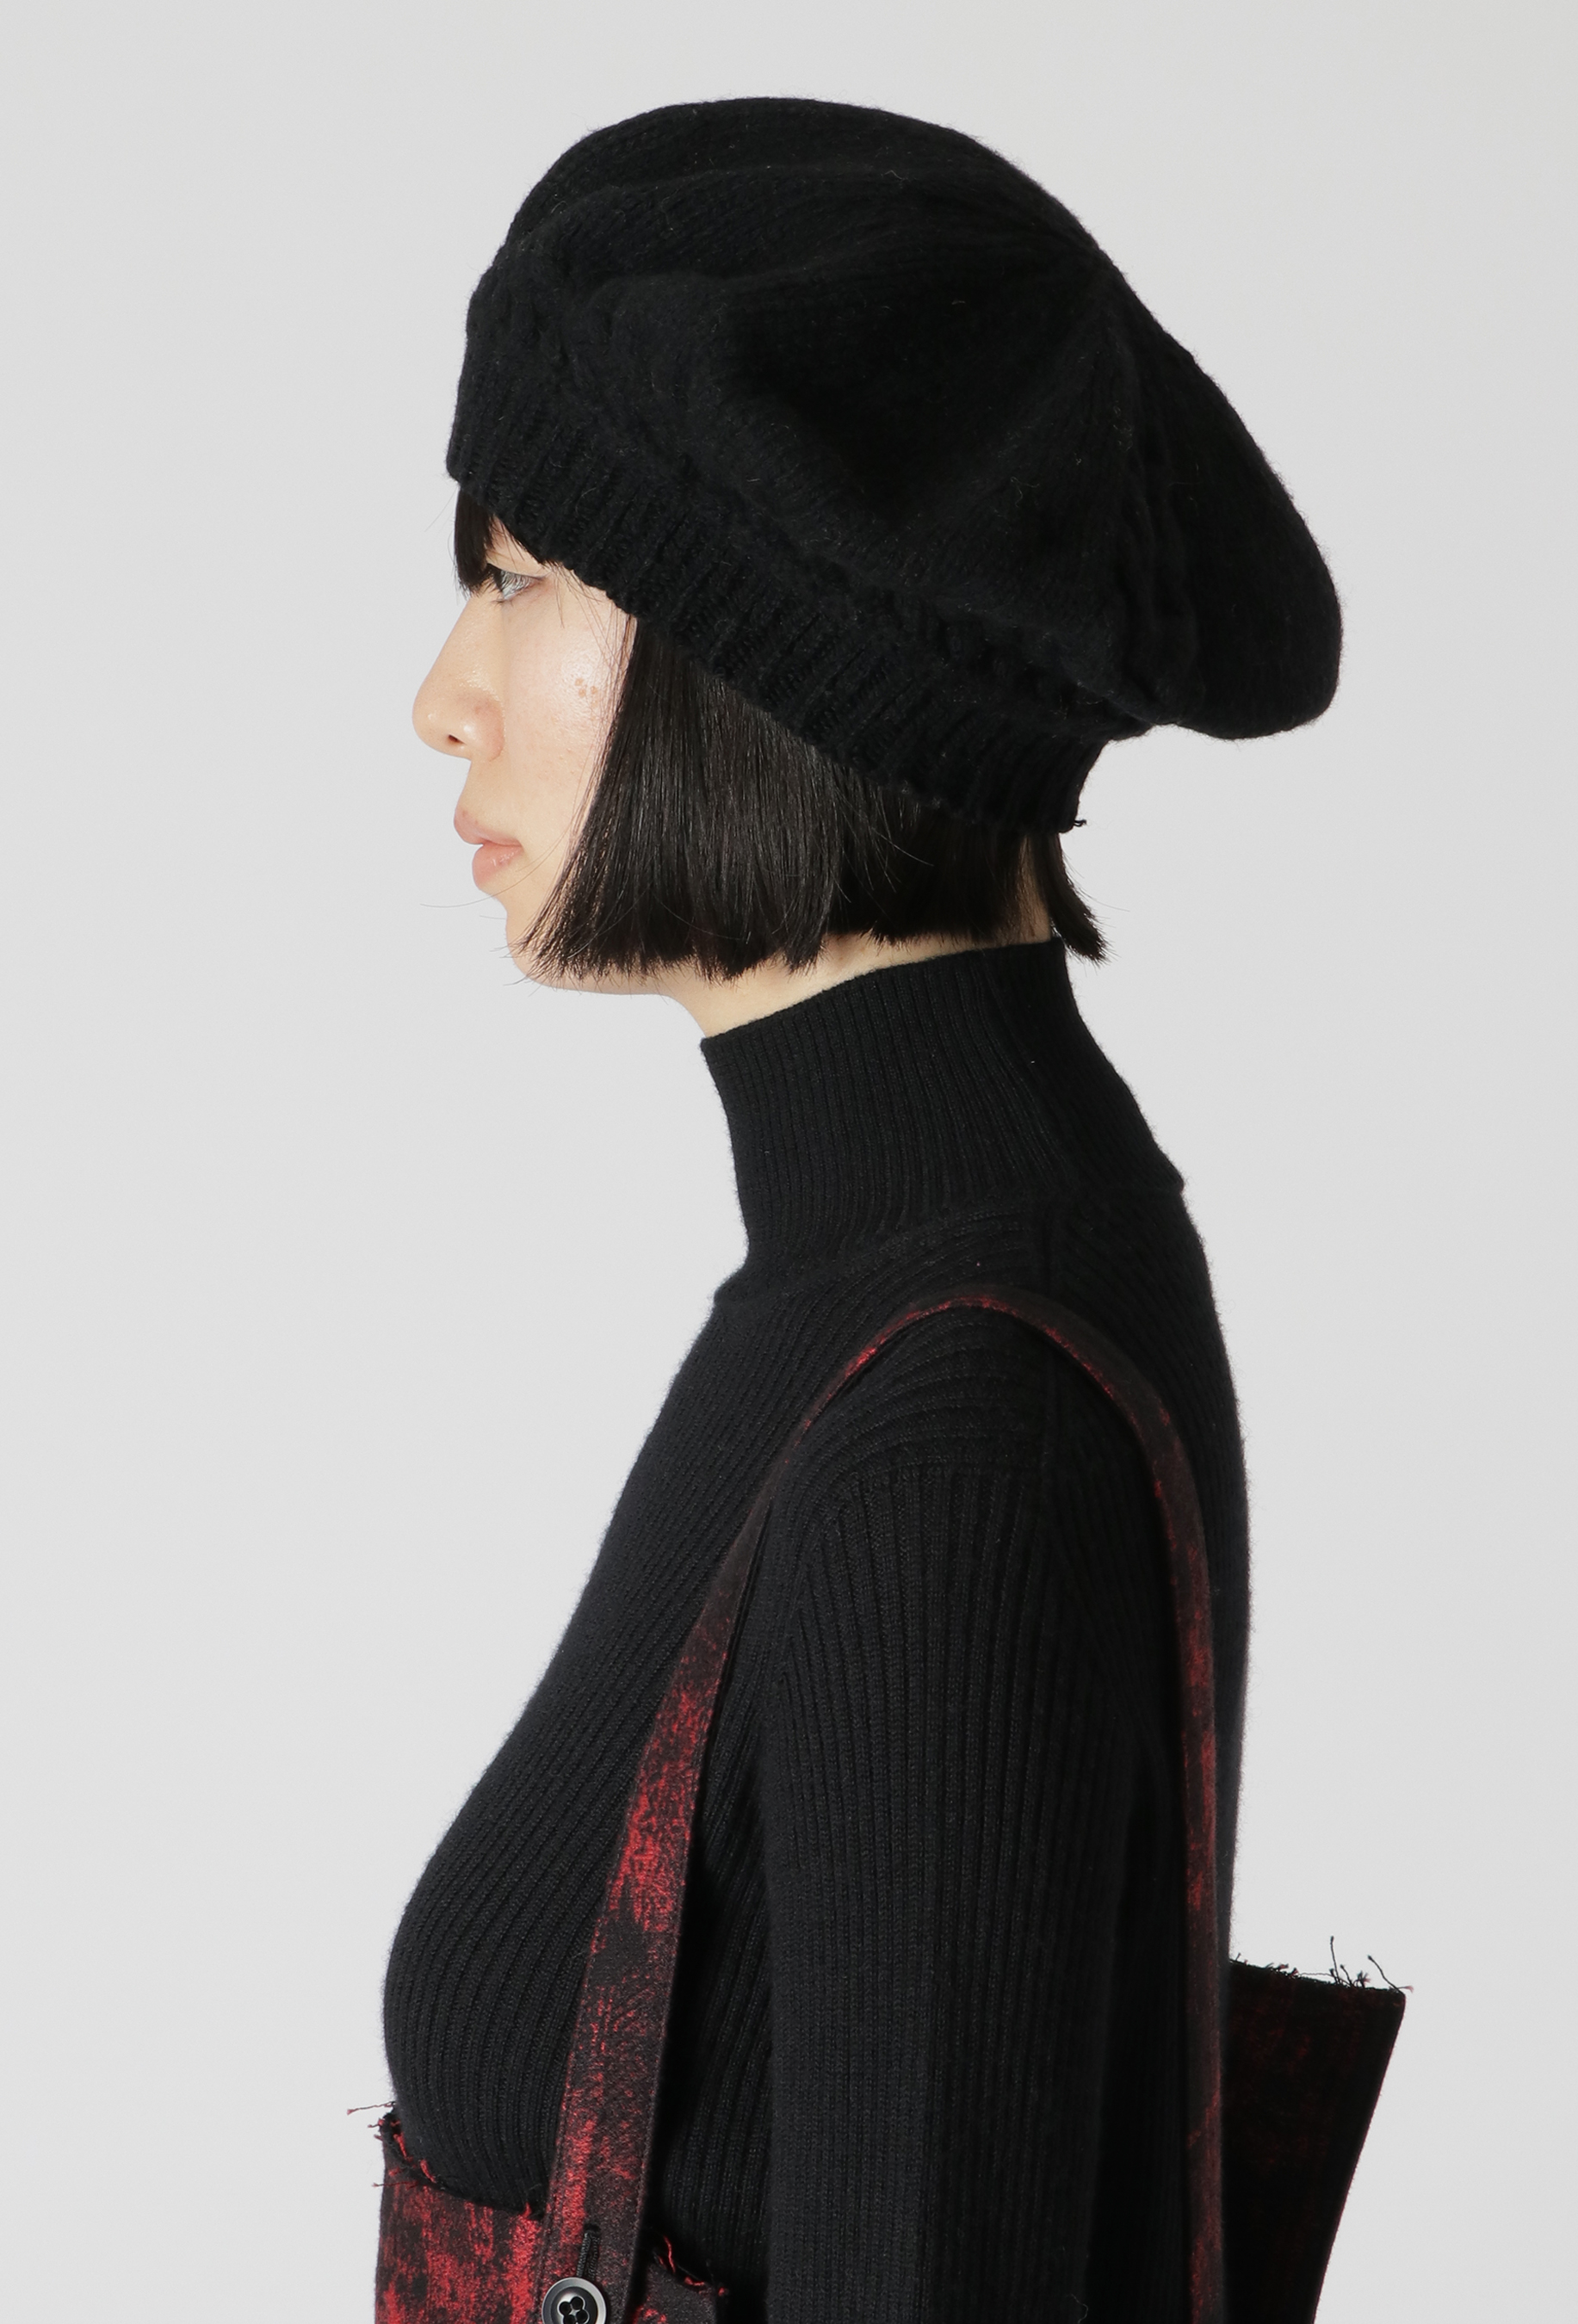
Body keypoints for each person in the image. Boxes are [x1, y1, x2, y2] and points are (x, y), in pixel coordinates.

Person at [385, 96, 1340, 2324]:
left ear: (771, 643)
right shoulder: (880, 1280)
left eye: (519, 579)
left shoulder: (957, 1423)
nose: (443, 698)